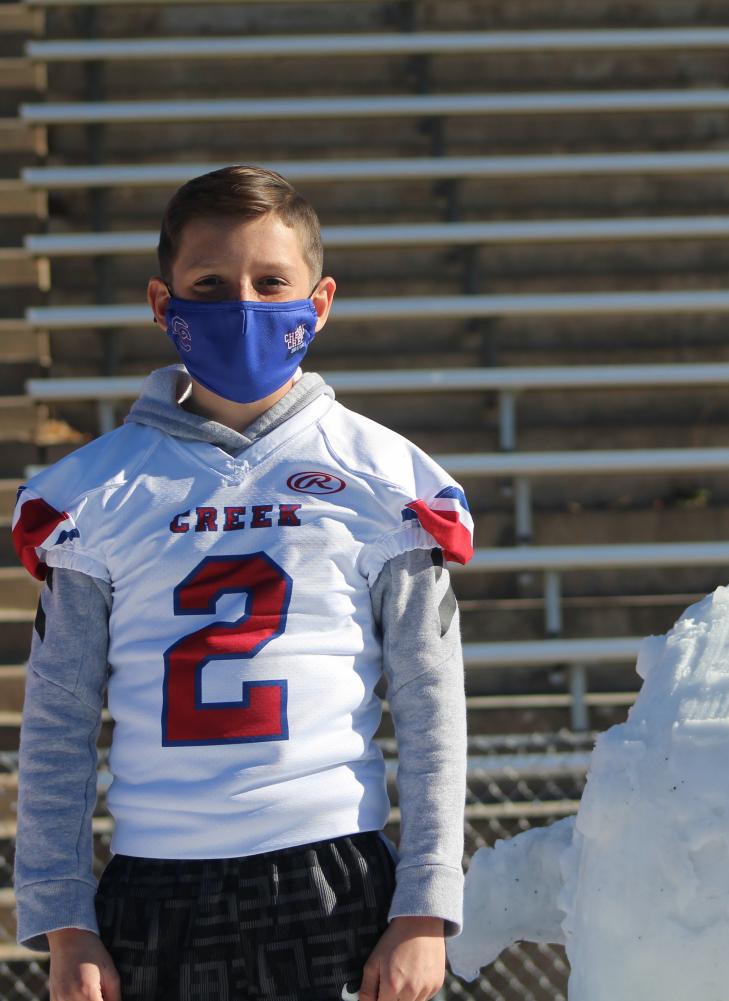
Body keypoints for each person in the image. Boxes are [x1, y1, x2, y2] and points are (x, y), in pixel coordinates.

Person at [10, 165, 472, 1001]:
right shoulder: (92, 492)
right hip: (154, 886)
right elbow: (56, 725)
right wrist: (64, 918)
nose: (244, 305)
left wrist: (425, 908)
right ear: (163, 304)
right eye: (211, 285)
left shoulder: (384, 478)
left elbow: (432, 704)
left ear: (319, 301)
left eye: (271, 282)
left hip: (332, 873)